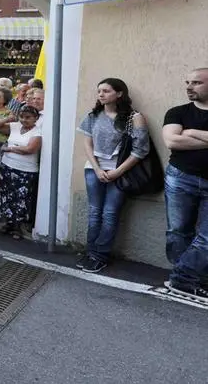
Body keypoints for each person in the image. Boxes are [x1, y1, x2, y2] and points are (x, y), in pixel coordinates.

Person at [77, 78, 148, 273]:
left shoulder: (134, 118)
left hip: (120, 171)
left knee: (110, 213)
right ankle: (90, 252)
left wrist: (117, 171)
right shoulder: (93, 116)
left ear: (119, 94)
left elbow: (140, 150)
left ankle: (100, 255)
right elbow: (87, 144)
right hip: (94, 170)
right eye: (99, 91)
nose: (101, 94)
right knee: (94, 212)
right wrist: (97, 168)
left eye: (106, 91)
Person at [162, 67, 208, 298]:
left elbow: (182, 138)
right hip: (181, 177)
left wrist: (192, 132)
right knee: (178, 231)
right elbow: (172, 141)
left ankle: (183, 278)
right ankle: (186, 279)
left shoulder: (187, 122)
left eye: (197, 82)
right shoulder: (177, 112)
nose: (189, 87)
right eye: (187, 82)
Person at [0, 106, 42, 239]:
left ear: (35, 118)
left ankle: (18, 227)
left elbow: (30, 149)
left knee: (21, 198)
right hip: (7, 166)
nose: (24, 120)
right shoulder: (14, 126)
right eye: (22, 117)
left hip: (26, 171)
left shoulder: (38, 131)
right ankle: (8, 224)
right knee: (6, 195)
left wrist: (10, 148)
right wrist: (8, 118)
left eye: (28, 117)